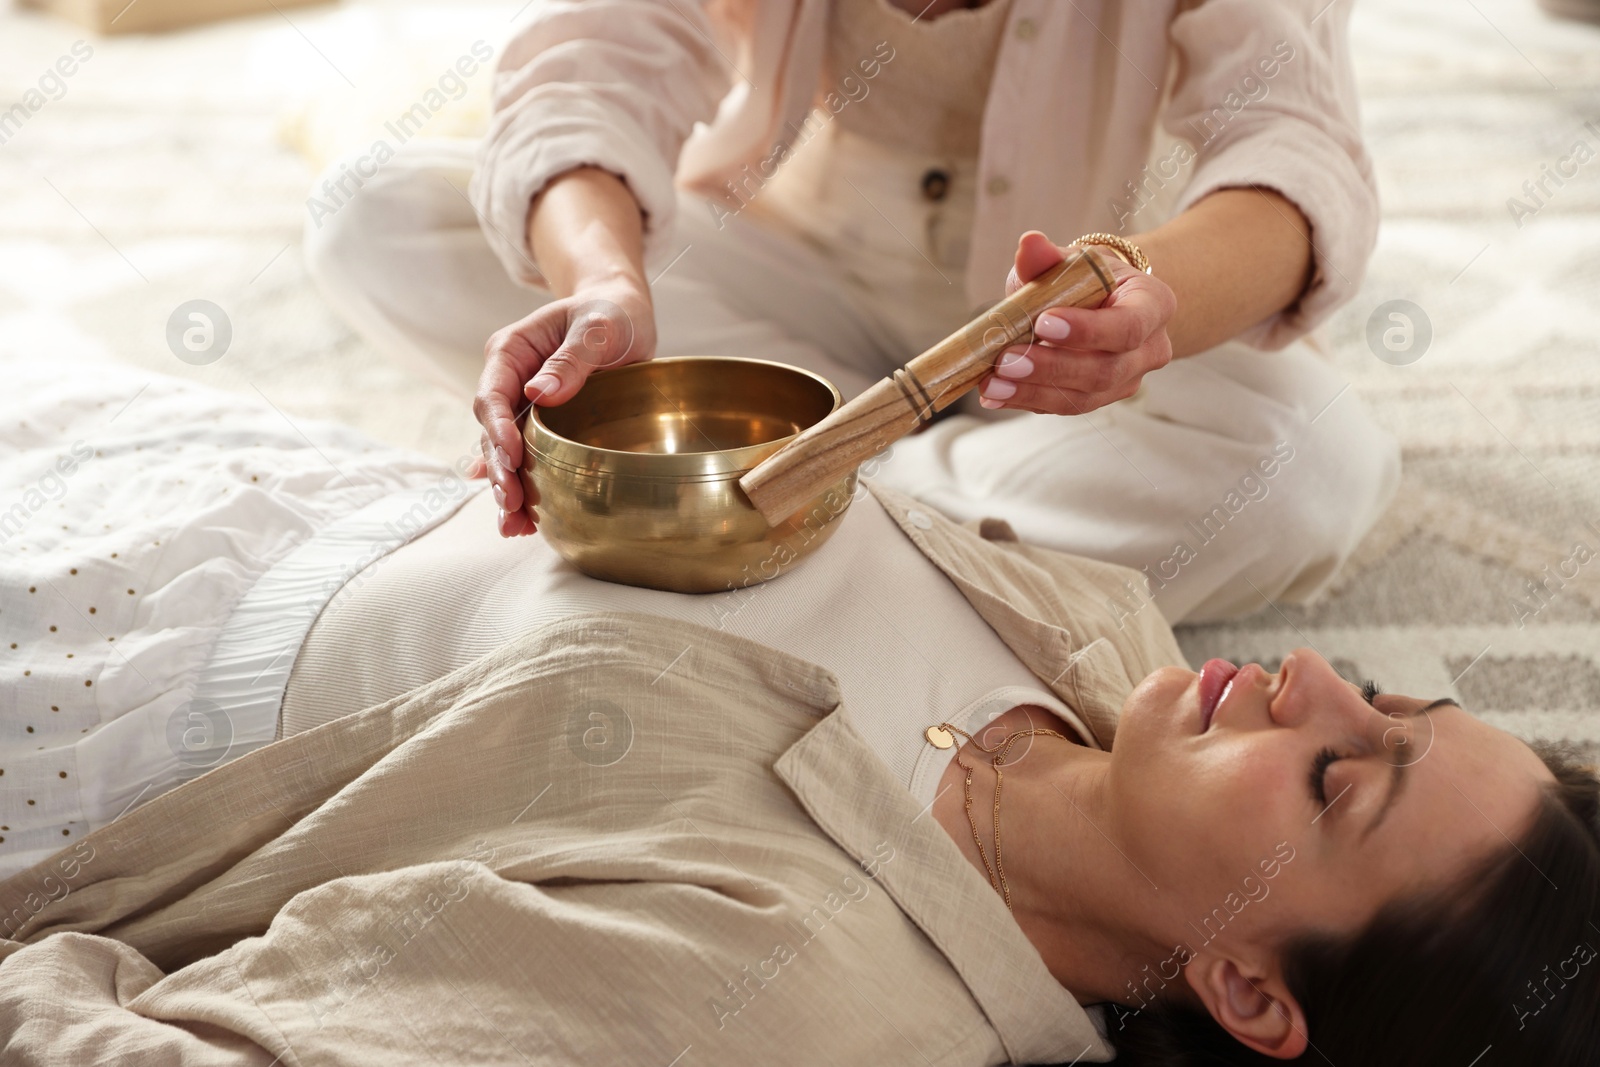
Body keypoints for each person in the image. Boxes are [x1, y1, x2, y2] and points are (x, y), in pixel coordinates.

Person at [1, 359, 1595, 1065]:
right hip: (248, 472)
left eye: (1338, 779)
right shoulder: (1105, 636)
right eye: (1389, 698)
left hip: (84, 677)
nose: (1314, 683)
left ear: (1251, 987)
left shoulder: (795, 990)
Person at [305, 0, 1401, 624]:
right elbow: (591, 70)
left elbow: (1290, 151)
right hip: (790, 268)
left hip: (1083, 322)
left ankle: (787, 499)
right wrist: (606, 283)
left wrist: (1144, 303)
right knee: (375, 213)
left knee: (1310, 469)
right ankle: (861, 500)